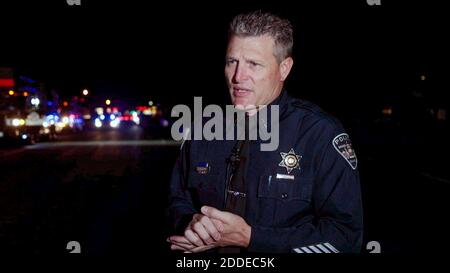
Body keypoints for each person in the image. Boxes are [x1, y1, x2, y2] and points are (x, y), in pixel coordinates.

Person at [167, 10, 363, 253]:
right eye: (232, 62)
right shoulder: (202, 129)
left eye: (254, 64)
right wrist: (190, 223)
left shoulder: (319, 134)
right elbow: (177, 200)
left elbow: (345, 237)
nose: (238, 77)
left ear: (284, 69)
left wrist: (251, 238)